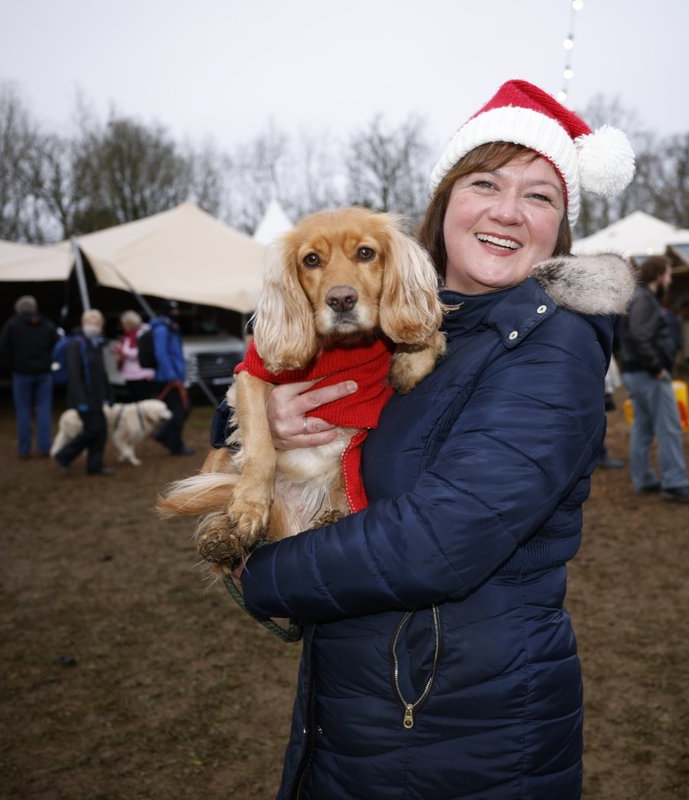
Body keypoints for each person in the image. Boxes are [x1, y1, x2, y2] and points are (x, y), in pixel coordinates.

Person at [226, 79, 635, 799]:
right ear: (446, 202)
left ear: (560, 228)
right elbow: (282, 379)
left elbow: (439, 541)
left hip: (461, 728)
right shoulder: (412, 322)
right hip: (367, 705)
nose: (508, 211)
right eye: (486, 183)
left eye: (540, 196)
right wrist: (271, 421)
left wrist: (258, 573)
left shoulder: (552, 345)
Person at [618, 254, 689, 502]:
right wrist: (657, 368)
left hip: (635, 373)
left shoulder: (636, 297)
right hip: (648, 374)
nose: (670, 279)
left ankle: (643, 479)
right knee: (669, 428)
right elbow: (639, 336)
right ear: (658, 274)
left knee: (643, 427)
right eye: (668, 273)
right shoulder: (645, 299)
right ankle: (675, 483)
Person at [0, 295, 58, 458]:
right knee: (44, 409)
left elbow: (1, 348)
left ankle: (24, 450)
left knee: (23, 411)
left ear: (18, 309)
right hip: (44, 373)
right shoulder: (47, 324)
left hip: (21, 373)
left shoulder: (12, 324)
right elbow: (56, 345)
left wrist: (12, 364)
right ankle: (44, 447)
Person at [54, 309, 114, 476]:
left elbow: (102, 373)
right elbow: (74, 375)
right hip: (84, 398)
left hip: (96, 397)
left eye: (97, 324)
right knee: (93, 429)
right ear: (83, 324)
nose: (93, 327)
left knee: (101, 431)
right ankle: (64, 455)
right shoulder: (75, 345)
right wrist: (81, 400)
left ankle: (95, 465)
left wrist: (109, 394)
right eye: (90, 323)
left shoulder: (96, 345)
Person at [148, 302, 194, 456]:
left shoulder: (171, 328)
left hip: (175, 377)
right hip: (168, 379)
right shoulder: (162, 330)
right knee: (180, 410)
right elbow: (161, 354)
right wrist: (172, 375)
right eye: (173, 310)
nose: (177, 313)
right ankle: (173, 442)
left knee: (182, 409)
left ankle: (167, 437)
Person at [112, 310, 157, 401]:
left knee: (144, 402)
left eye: (124, 324)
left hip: (142, 375)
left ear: (130, 323)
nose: (123, 327)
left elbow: (141, 353)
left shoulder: (143, 333)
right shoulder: (127, 336)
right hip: (130, 375)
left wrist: (123, 351)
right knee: (135, 401)